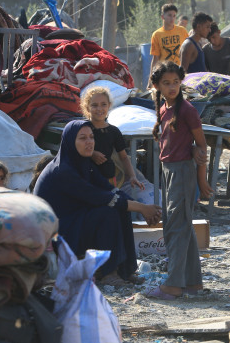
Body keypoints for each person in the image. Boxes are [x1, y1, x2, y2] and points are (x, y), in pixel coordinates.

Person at [33, 120, 161, 286]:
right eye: (82, 138)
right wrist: (143, 208)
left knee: (120, 207)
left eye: (91, 137)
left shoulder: (85, 165)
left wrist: (144, 209)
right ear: (70, 141)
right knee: (108, 212)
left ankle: (125, 270)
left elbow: (110, 190)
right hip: (55, 232)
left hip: (73, 221)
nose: (89, 142)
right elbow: (101, 198)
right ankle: (109, 272)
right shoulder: (63, 170)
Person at [145, 62, 212, 300]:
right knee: (181, 226)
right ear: (156, 86)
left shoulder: (187, 110)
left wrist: (201, 180)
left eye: (175, 82)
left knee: (176, 227)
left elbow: (202, 146)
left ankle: (173, 285)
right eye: (166, 83)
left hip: (182, 171)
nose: (172, 87)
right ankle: (193, 283)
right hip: (169, 170)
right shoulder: (165, 107)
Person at [80, 86, 145, 190]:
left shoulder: (113, 131)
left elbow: (123, 157)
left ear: (109, 106)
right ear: (87, 107)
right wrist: (92, 154)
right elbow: (73, 150)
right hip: (87, 179)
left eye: (103, 104)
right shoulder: (81, 128)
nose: (99, 109)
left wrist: (133, 176)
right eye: (94, 105)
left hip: (109, 179)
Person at [148, 4, 189, 88]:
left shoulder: (182, 31)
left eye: (174, 16)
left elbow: (188, 51)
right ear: (162, 17)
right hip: (165, 73)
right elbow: (155, 58)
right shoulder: (156, 34)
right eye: (169, 15)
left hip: (180, 72)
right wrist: (151, 79)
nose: (172, 18)